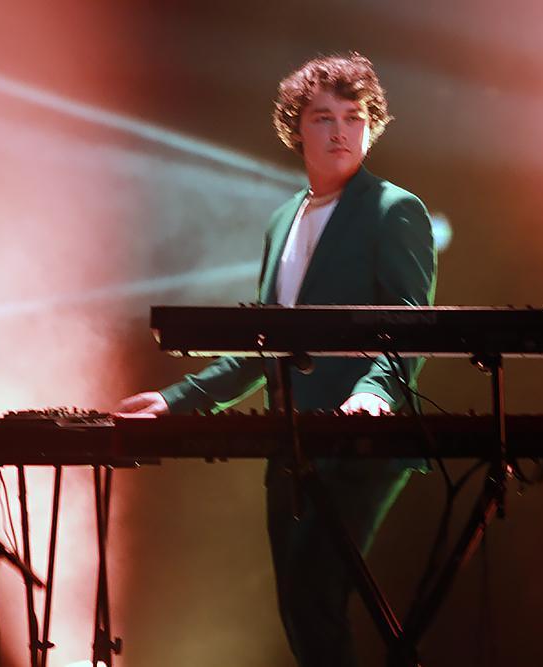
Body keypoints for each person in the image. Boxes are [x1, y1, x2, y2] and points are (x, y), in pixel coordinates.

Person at [116, 53, 437, 665]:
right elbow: (263, 346)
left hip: (360, 438)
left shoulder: (394, 209)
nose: (341, 131)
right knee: (297, 606)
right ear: (297, 128)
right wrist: (177, 400)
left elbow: (409, 323)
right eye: (324, 118)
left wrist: (373, 392)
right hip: (291, 440)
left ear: (371, 126)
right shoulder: (282, 220)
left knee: (314, 596)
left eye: (354, 117)